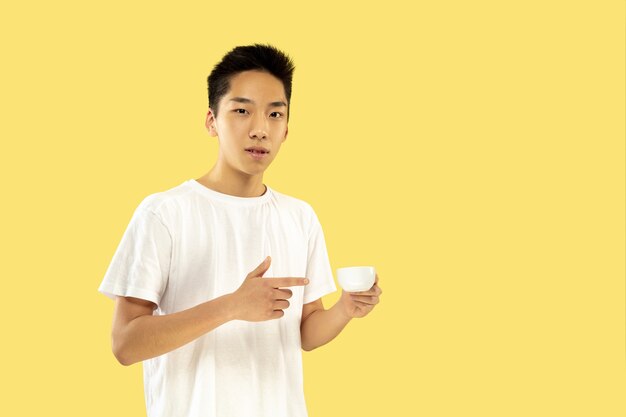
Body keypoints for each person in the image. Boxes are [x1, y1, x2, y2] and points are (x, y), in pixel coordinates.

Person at [98, 43, 382, 417]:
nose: (260, 129)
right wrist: (232, 306)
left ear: (286, 129)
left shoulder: (299, 216)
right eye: (242, 111)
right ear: (211, 121)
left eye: (275, 114)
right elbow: (125, 344)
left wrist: (345, 309)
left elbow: (307, 332)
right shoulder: (165, 213)